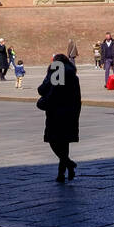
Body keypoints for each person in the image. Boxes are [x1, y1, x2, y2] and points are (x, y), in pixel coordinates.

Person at [37, 51, 81, 182]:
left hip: (56, 111)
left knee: (53, 141)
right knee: (64, 143)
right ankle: (62, 173)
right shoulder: (73, 75)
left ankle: (68, 163)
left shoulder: (57, 71)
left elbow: (44, 90)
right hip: (71, 112)